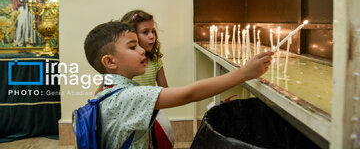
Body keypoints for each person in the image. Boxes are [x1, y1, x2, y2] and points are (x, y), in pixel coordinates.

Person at [84, 21, 273, 149]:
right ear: (109, 62)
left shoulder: (107, 91)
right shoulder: (129, 96)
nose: (142, 50)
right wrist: (243, 73)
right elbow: (188, 94)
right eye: (132, 47)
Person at [94, 9, 174, 147]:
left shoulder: (155, 61)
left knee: (165, 139)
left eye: (153, 31)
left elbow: (164, 89)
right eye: (145, 32)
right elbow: (100, 92)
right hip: (126, 116)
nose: (152, 37)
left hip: (149, 112)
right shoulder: (119, 65)